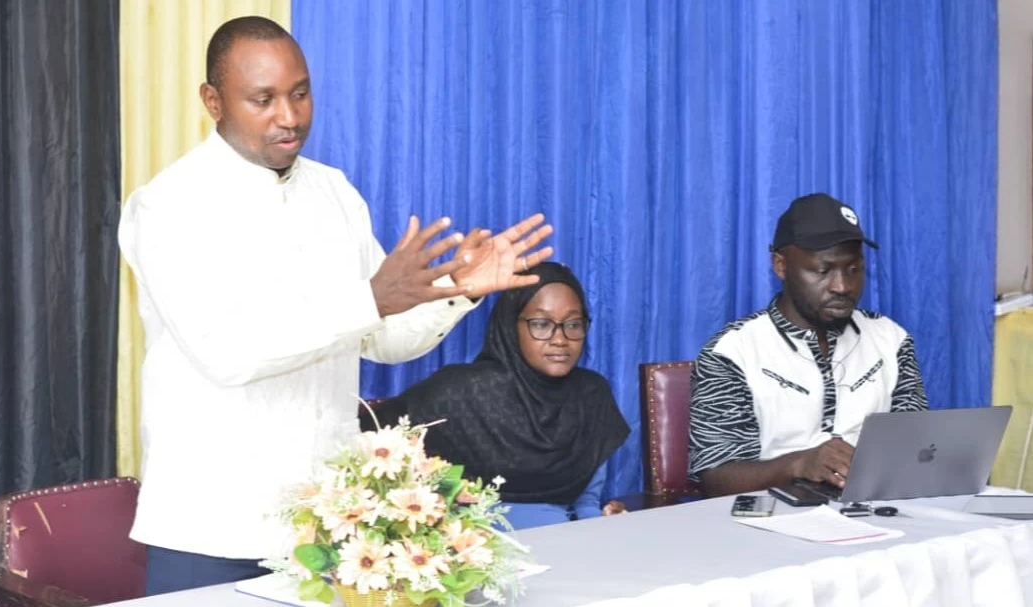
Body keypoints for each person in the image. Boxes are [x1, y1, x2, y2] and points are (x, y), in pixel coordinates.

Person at [117, 16, 553, 595]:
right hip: (214, 528)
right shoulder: (169, 206)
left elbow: (385, 339)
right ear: (212, 100)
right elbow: (227, 354)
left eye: (300, 93)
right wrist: (369, 298)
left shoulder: (334, 192)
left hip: (330, 527)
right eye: (263, 99)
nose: (290, 116)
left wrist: (458, 289)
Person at [688, 193, 928, 498]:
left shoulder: (891, 340)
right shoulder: (733, 352)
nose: (842, 286)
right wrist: (799, 464)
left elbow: (914, 446)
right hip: (770, 522)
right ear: (780, 265)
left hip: (876, 511)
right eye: (823, 271)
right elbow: (716, 476)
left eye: (853, 269)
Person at [382, 262, 630, 529]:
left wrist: (606, 523)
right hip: (472, 551)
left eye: (573, 324)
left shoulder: (591, 394)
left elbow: (586, 504)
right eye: (541, 324)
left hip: (564, 544)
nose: (560, 339)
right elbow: (371, 445)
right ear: (511, 326)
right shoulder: (460, 391)